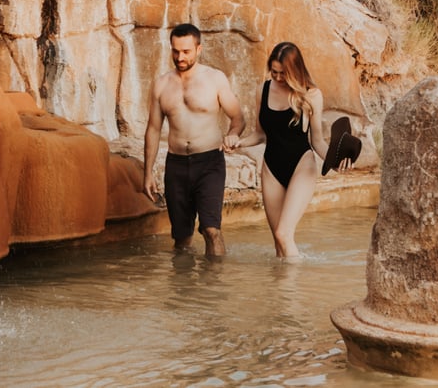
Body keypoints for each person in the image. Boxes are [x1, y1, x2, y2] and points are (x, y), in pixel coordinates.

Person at [227, 42, 351, 259]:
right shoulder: (263, 90)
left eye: (283, 73)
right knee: (278, 243)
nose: (277, 78)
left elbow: (318, 141)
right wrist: (238, 142)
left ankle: (293, 293)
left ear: (294, 71)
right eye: (274, 72)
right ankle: (279, 292)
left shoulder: (311, 95)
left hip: (302, 164)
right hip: (272, 167)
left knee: (284, 234)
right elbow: (260, 134)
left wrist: (335, 160)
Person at [143, 23, 245, 257]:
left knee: (211, 230)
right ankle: (185, 291)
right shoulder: (161, 84)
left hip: (209, 162)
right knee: (181, 240)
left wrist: (233, 134)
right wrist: (147, 173)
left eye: (186, 51)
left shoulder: (215, 79)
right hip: (176, 165)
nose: (180, 57)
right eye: (175, 51)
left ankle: (213, 289)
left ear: (199, 49)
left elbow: (238, 117)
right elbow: (153, 129)